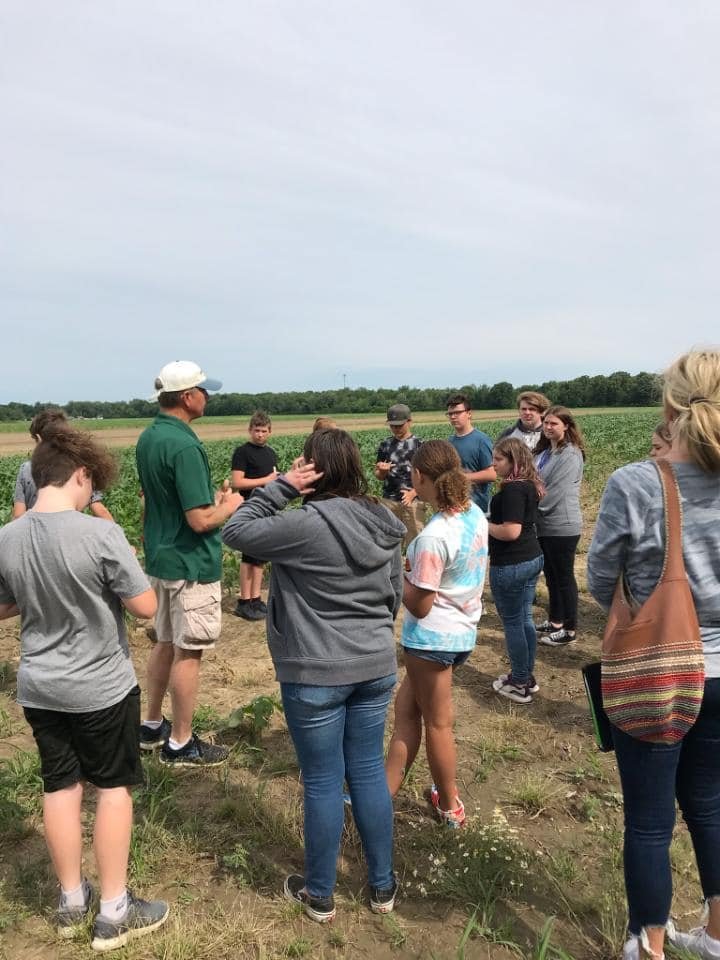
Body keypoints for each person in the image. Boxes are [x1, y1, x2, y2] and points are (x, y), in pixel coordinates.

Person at [222, 429, 404, 922]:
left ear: (312, 470)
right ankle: (382, 886)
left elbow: (235, 531)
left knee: (323, 780)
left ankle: (320, 893)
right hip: (375, 666)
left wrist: (280, 487)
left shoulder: (305, 525)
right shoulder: (384, 518)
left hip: (315, 670)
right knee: (367, 770)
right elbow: (395, 595)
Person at [0, 426, 168, 951]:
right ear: (80, 474)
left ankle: (72, 902)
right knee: (112, 789)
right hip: (100, 686)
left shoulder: (7, 537)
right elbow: (145, 606)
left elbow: (4, 604)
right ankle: (115, 911)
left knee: (60, 787)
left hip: (40, 687)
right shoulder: (99, 534)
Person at [587, 349, 720, 960]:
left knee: (647, 818)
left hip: (661, 669)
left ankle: (649, 945)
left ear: (670, 407)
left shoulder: (637, 482)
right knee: (711, 802)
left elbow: (597, 581)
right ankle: (716, 936)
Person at [136, 361, 242, 766]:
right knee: (189, 650)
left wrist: (209, 505)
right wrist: (229, 506)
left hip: (161, 558)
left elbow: (158, 501)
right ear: (187, 397)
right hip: (189, 564)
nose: (207, 396)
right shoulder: (185, 446)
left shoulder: (150, 437)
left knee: (164, 639)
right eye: (202, 390)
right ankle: (180, 743)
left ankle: (150, 725)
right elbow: (199, 520)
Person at [386, 440, 488, 828]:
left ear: (419, 477)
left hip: (430, 642)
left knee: (438, 725)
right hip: (461, 634)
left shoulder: (433, 536)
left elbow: (419, 605)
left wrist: (399, 574)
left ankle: (450, 806)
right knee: (406, 710)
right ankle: (382, 793)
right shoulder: (474, 514)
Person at [488, 438, 545, 704]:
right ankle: (526, 676)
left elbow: (510, 531)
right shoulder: (528, 485)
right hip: (531, 558)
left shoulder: (512, 490)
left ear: (514, 461)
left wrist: (482, 524)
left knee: (513, 623)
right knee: (524, 620)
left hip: (511, 563)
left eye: (498, 459)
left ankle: (520, 681)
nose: (493, 464)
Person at [533, 405, 585, 646]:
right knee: (551, 575)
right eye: (546, 423)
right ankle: (555, 621)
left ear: (566, 425)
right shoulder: (545, 453)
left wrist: (529, 511)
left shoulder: (570, 455)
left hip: (562, 524)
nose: (548, 427)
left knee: (564, 577)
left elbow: (555, 492)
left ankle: (570, 629)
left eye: (554, 423)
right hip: (544, 524)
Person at [12, 408, 114, 521]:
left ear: (39, 439)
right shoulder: (79, 466)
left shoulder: (26, 469)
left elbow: (18, 514)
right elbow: (99, 510)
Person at [230, 411, 278, 621]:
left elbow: (273, 480)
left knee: (260, 556)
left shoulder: (270, 453)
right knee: (248, 555)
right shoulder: (242, 452)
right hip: (249, 507)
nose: (260, 435)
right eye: (256, 431)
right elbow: (237, 482)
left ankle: (256, 598)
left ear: (269, 432)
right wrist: (265, 479)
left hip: (267, 507)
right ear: (250, 431)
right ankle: (244, 600)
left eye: (264, 431)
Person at [375, 402, 424, 549]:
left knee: (415, 544)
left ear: (409, 421)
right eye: (392, 426)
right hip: (389, 500)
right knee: (388, 543)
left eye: (399, 425)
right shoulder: (385, 445)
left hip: (414, 501)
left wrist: (413, 493)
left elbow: (428, 476)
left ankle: (413, 571)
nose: (395, 429)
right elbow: (378, 475)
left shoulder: (419, 444)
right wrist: (382, 471)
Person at [445, 393, 496, 513]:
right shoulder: (449, 442)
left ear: (469, 413)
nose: (453, 417)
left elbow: (492, 474)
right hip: (454, 507)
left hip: (476, 508)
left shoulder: (481, 440)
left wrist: (462, 478)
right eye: (450, 414)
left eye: (457, 413)